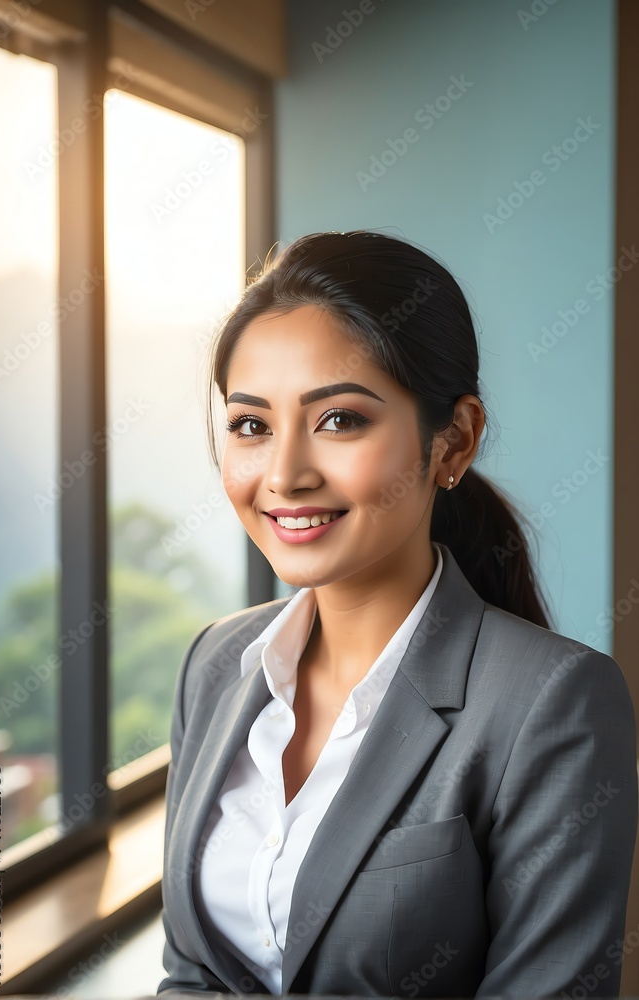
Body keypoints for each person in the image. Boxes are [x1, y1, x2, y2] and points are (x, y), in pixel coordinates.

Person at [158, 230, 637, 998]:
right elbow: (192, 974)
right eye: (251, 425)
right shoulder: (215, 664)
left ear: (453, 441)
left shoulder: (554, 703)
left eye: (339, 419)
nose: (284, 474)